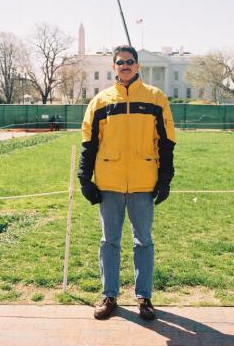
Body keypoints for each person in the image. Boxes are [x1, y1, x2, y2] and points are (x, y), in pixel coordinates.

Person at [78, 45, 175, 320]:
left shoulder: (156, 98)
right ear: (114, 67)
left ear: (138, 65)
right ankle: (109, 295)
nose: (125, 66)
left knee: (143, 241)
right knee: (109, 240)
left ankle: (144, 297)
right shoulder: (101, 101)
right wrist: (84, 178)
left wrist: (165, 178)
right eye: (120, 62)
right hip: (109, 182)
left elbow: (166, 142)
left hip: (144, 182)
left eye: (130, 61)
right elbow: (89, 143)